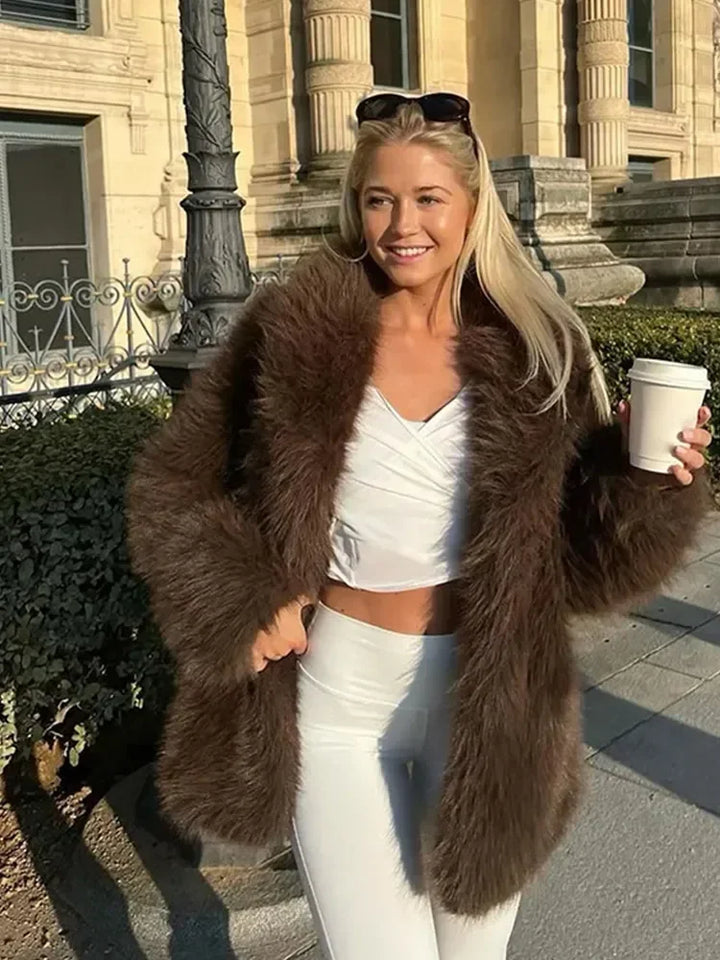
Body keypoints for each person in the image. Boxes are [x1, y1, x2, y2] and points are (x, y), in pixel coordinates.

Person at [126, 93, 712, 959]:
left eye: (428, 198)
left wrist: (650, 483)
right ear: (356, 205)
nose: (403, 224)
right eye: (379, 198)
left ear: (473, 206)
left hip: (495, 697)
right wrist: (248, 596)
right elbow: (172, 484)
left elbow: (583, 565)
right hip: (336, 695)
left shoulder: (538, 342)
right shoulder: (294, 328)